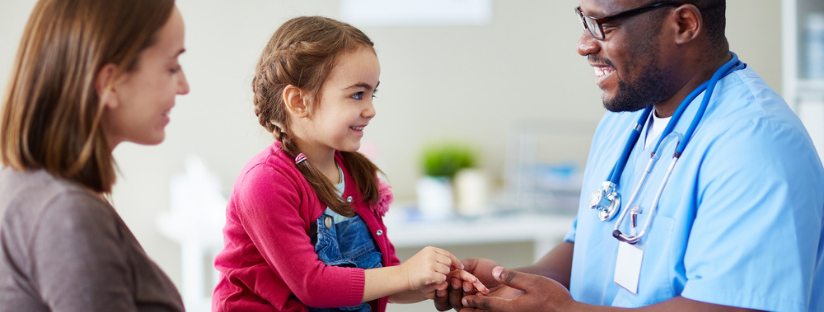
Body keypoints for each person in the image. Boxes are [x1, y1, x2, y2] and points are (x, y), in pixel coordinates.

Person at [437, 0, 824, 311]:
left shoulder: (755, 145)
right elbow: (587, 246)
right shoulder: (627, 118)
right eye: (583, 21)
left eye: (604, 25)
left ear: (684, 24)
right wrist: (511, 282)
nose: (584, 44)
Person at [211, 16, 487, 312]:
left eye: (372, 93)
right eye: (357, 94)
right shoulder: (265, 183)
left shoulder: (357, 172)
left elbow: (382, 276)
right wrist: (405, 274)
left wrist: (429, 285)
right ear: (298, 101)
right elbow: (312, 286)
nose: (370, 110)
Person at [0, 0, 190, 311]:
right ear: (110, 83)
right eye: (171, 67)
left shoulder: (31, 187)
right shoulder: (66, 215)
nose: (184, 87)